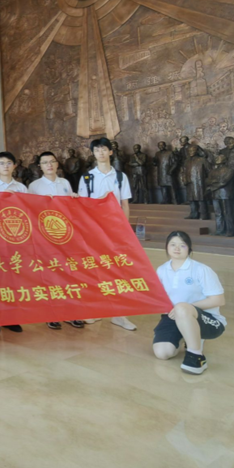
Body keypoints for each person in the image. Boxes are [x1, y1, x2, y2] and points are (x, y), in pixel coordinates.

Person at [78, 137, 136, 331]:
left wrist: (124, 230)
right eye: (97, 150)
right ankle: (97, 310)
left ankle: (119, 315)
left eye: (104, 149)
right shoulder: (87, 178)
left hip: (115, 231)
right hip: (94, 232)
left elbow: (125, 204)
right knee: (95, 270)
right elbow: (83, 206)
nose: (101, 153)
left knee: (118, 270)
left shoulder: (120, 177)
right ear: (93, 154)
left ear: (111, 152)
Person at [153, 231, 226, 375]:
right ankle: (187, 335)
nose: (177, 248)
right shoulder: (161, 270)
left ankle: (196, 355)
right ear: (166, 247)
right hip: (173, 317)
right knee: (162, 353)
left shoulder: (201, 270)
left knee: (182, 307)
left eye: (182, 245)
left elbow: (219, 300)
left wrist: (186, 307)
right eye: (172, 245)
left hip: (206, 320)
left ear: (189, 248)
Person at [28, 152, 85, 331]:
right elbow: (30, 211)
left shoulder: (65, 183)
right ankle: (52, 314)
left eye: (52, 161)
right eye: (45, 162)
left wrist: (74, 200)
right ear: (40, 166)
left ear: (57, 163)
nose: (49, 165)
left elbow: (70, 208)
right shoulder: (34, 186)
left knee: (69, 274)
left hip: (66, 236)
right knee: (50, 275)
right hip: (45, 237)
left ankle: (72, 313)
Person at [0, 151, 26, 333]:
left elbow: (28, 211)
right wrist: (1, 198)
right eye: (1, 163)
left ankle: (10, 317)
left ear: (14, 165)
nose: (6, 166)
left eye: (9, 163)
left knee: (13, 279)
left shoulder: (22, 188)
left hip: (16, 239)